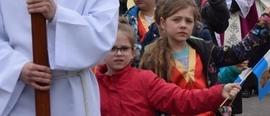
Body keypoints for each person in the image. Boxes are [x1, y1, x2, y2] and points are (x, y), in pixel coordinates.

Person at [140, 0, 270, 116]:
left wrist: (263, 26)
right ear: (163, 23)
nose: (183, 25)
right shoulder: (151, 58)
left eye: (188, 21)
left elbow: (237, 53)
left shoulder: (204, 48)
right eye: (176, 20)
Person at [95, 18, 241, 116]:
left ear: (133, 52)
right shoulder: (91, 83)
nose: (119, 54)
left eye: (124, 48)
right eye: (113, 48)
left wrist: (218, 93)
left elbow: (181, 99)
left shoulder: (144, 79)